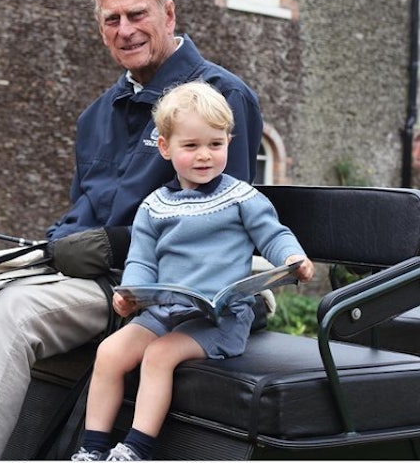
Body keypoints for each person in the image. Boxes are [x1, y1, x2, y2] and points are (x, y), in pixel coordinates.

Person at [0, 0, 263, 460]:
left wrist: (111, 246)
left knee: (15, 312)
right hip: (83, 273)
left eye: (136, 14)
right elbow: (82, 213)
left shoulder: (221, 97)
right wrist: (40, 251)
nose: (125, 30)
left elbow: (225, 220)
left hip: (154, 289)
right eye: (111, 19)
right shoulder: (97, 114)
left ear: (168, 13)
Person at [70, 82, 315, 462]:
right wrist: (130, 293)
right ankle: (92, 448)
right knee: (110, 352)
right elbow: (141, 260)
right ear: (166, 148)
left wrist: (292, 259)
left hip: (220, 319)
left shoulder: (241, 197)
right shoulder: (155, 206)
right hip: (165, 312)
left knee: (159, 355)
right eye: (191, 146)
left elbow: (273, 235)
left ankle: (136, 449)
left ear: (228, 143)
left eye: (215, 145)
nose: (204, 156)